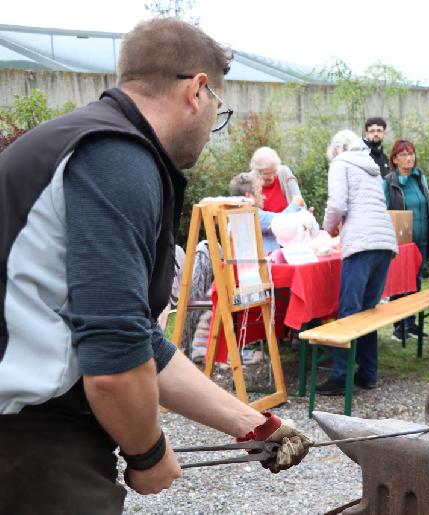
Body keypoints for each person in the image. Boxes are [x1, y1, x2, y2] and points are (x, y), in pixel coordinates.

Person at [0, 18, 312, 513]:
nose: (214, 126)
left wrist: (252, 423)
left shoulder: (90, 143)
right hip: (28, 441)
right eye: (219, 109)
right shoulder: (116, 159)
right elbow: (112, 358)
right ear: (198, 91)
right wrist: (148, 451)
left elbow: (138, 336)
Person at [316, 130, 398, 395]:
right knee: (368, 311)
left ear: (337, 150)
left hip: (361, 243)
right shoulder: (371, 167)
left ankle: (340, 376)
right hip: (384, 241)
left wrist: (328, 229)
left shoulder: (341, 164)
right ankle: (368, 373)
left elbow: (337, 204)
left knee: (350, 312)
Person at [383, 139, 429, 341]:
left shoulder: (419, 177)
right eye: (404, 154)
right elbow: (385, 211)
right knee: (400, 283)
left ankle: (411, 324)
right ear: (395, 159)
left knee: (416, 280)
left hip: (421, 240)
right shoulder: (389, 181)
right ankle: (399, 326)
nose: (409, 158)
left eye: (411, 153)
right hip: (402, 243)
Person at [228, 171, 303, 254]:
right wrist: (295, 205)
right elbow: (282, 221)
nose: (264, 197)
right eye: (260, 192)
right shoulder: (250, 215)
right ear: (249, 196)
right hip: (263, 266)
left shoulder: (236, 216)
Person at [249, 146, 304, 212]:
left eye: (274, 171)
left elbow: (299, 201)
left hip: (292, 220)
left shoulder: (284, 172)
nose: (271, 177)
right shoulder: (249, 181)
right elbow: (260, 217)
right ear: (257, 171)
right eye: (267, 173)